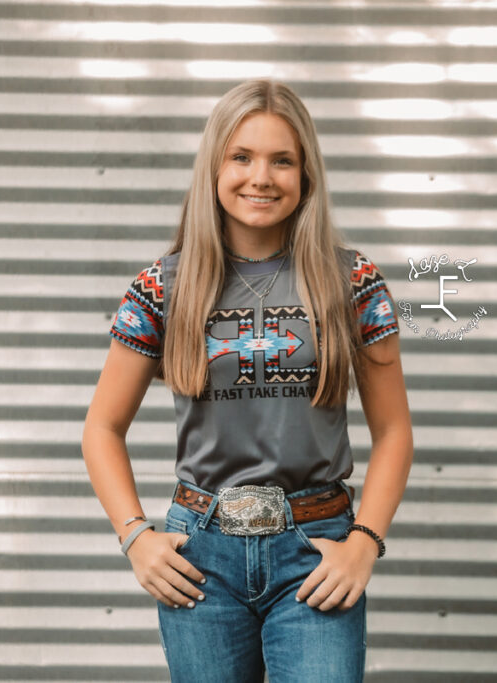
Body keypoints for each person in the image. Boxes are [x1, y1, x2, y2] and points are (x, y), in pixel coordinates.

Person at [81, 78, 413, 682]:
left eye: (281, 160)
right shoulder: (163, 288)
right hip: (200, 558)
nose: (260, 177)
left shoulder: (352, 282)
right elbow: (101, 428)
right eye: (241, 156)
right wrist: (136, 537)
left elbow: (393, 431)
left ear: (306, 174)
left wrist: (364, 543)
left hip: (314, 554)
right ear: (214, 167)